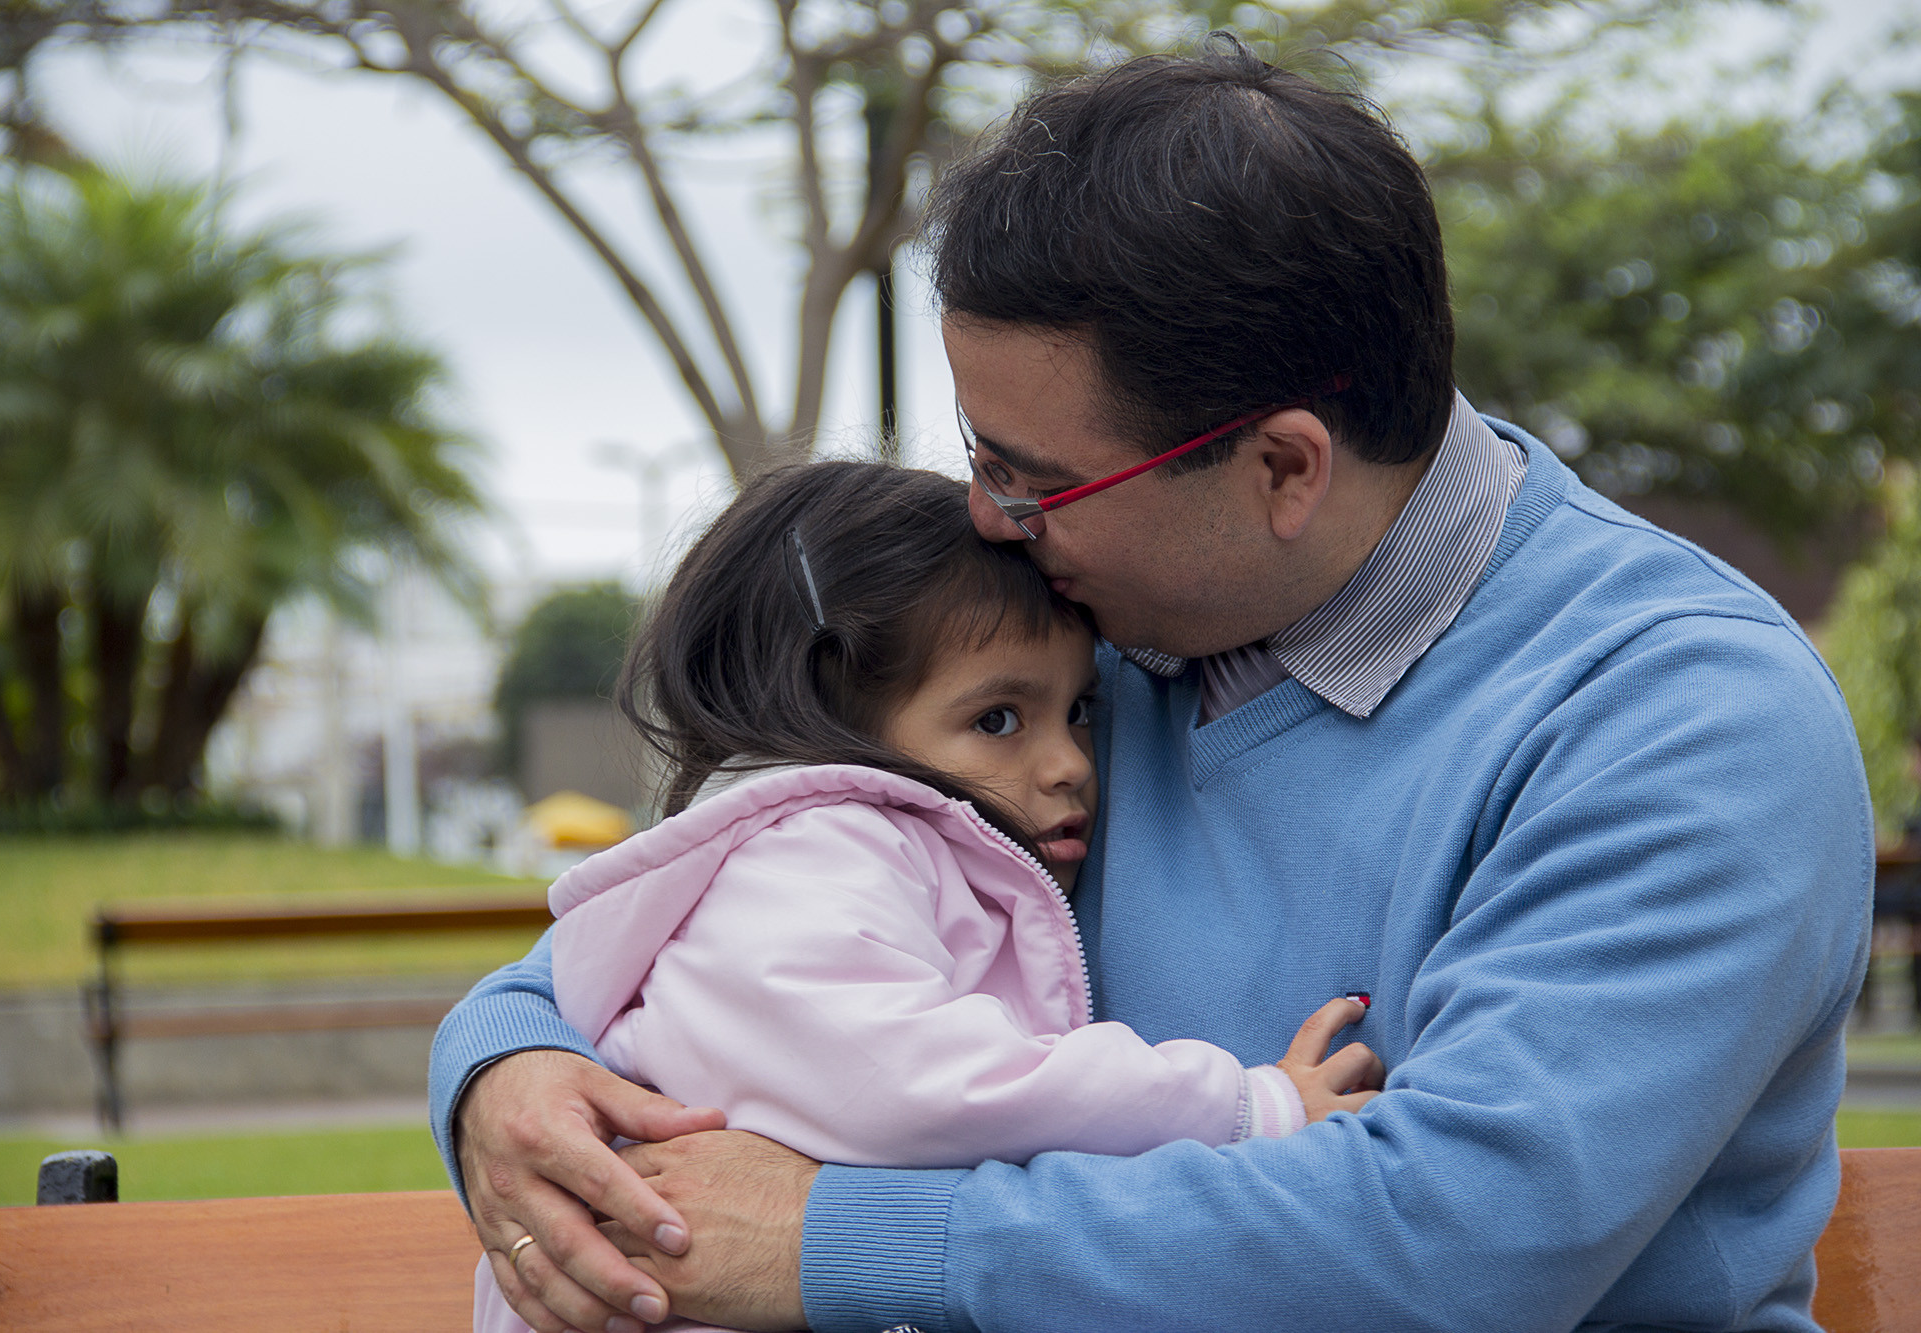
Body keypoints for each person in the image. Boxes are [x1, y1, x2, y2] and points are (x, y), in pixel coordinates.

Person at [431, 38, 1874, 1333]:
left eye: (1034, 476)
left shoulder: (1679, 720)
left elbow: (1448, 1243)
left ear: (1283, 468)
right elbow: (750, 886)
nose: (988, 517)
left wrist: (833, 1241)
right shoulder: (1077, 634)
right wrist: (508, 1064)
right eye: (977, 452)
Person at [472, 461, 1379, 1333]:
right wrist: (1243, 1107)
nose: (1069, 763)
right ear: (830, 717)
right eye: (997, 719)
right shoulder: (811, 854)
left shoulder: (857, 851)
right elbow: (925, 1085)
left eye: (1079, 710)